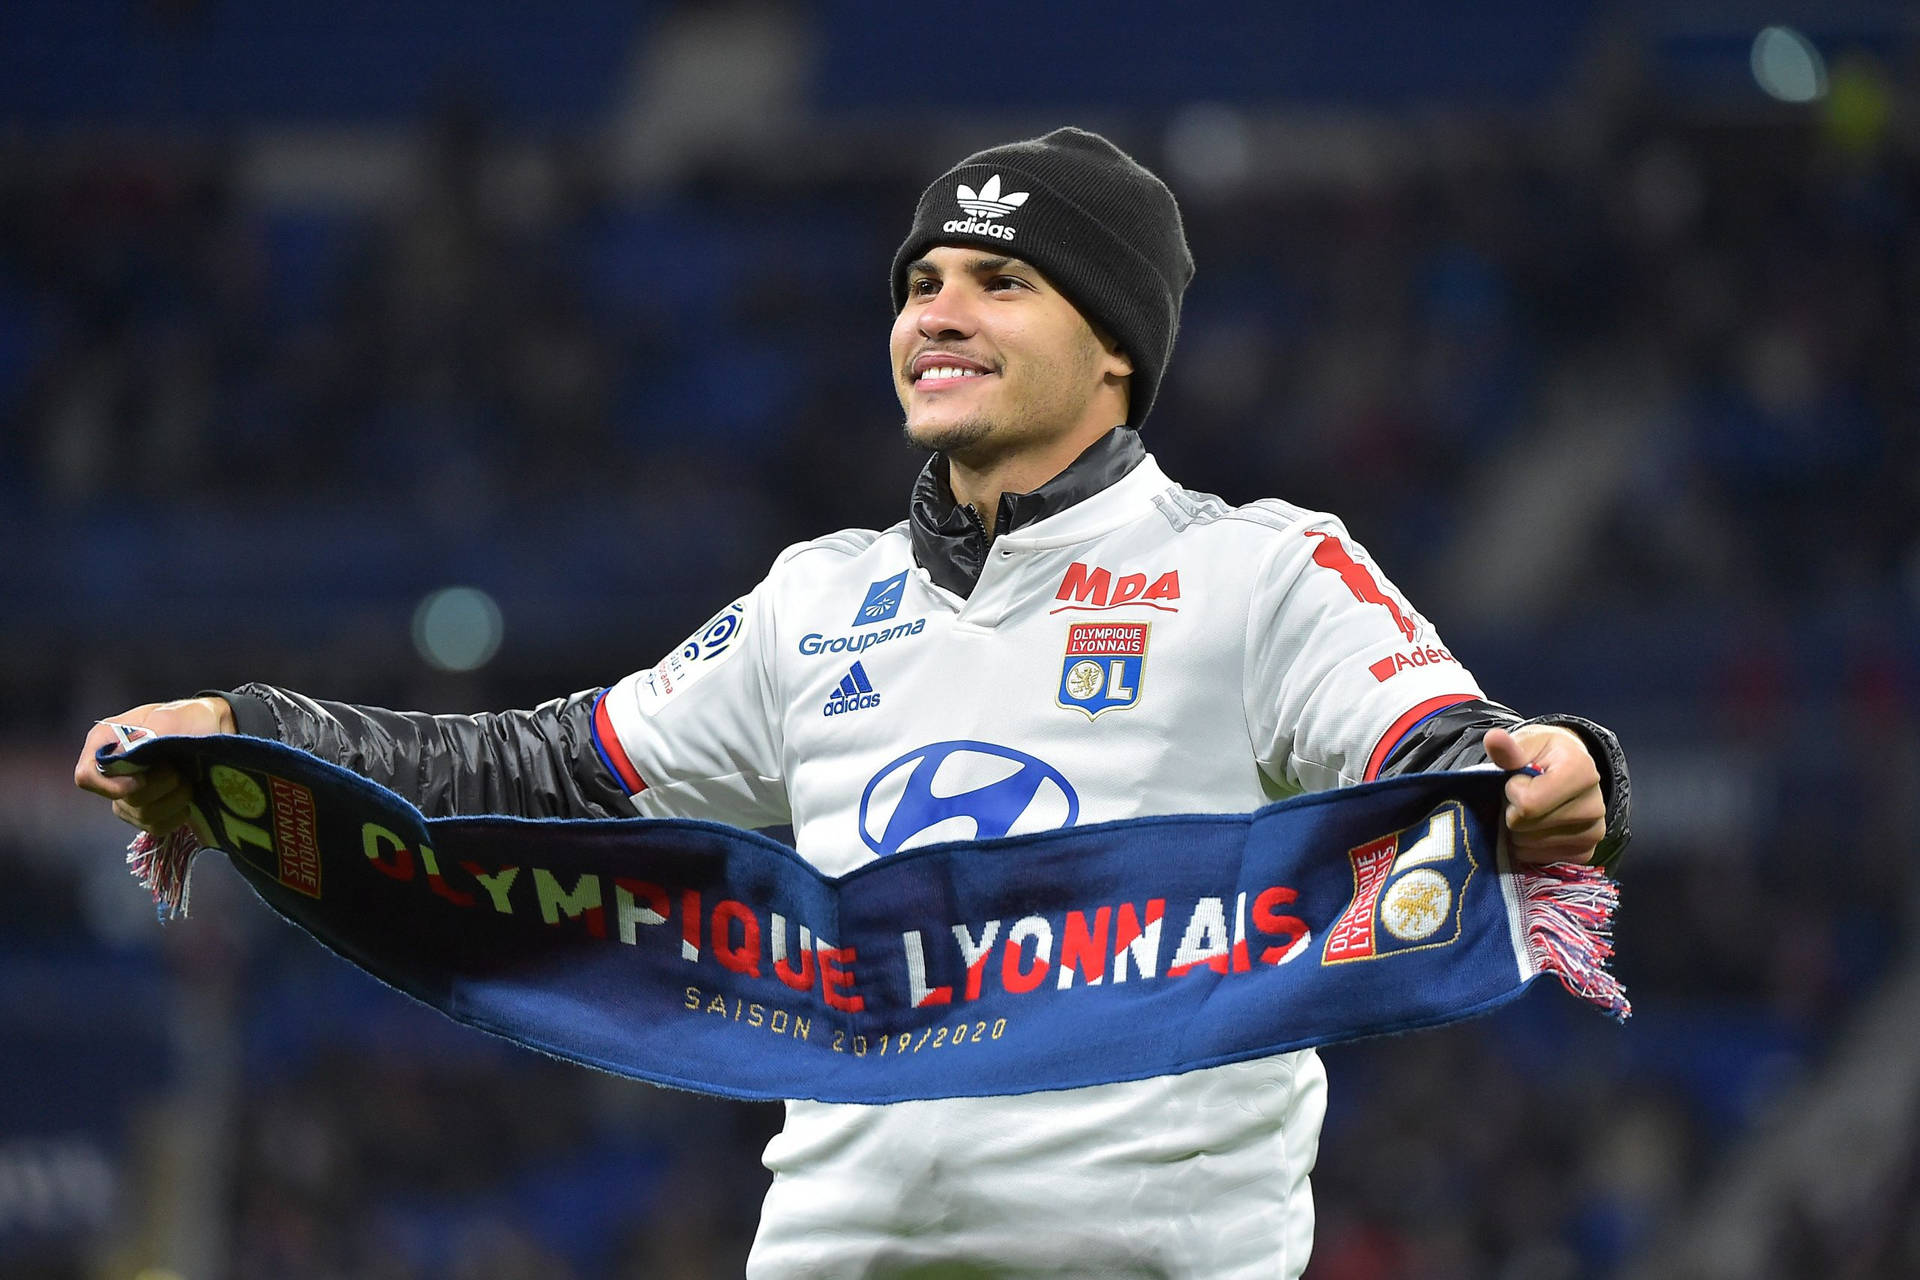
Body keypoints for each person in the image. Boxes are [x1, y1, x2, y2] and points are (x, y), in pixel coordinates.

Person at [76, 127, 1628, 1279]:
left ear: (1114, 352)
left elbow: (1444, 748)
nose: (938, 312)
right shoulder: (821, 599)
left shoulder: (1260, 571)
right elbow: (547, 770)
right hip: (838, 1251)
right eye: (923, 281)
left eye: (1002, 283)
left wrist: (1553, 777)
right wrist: (261, 736)